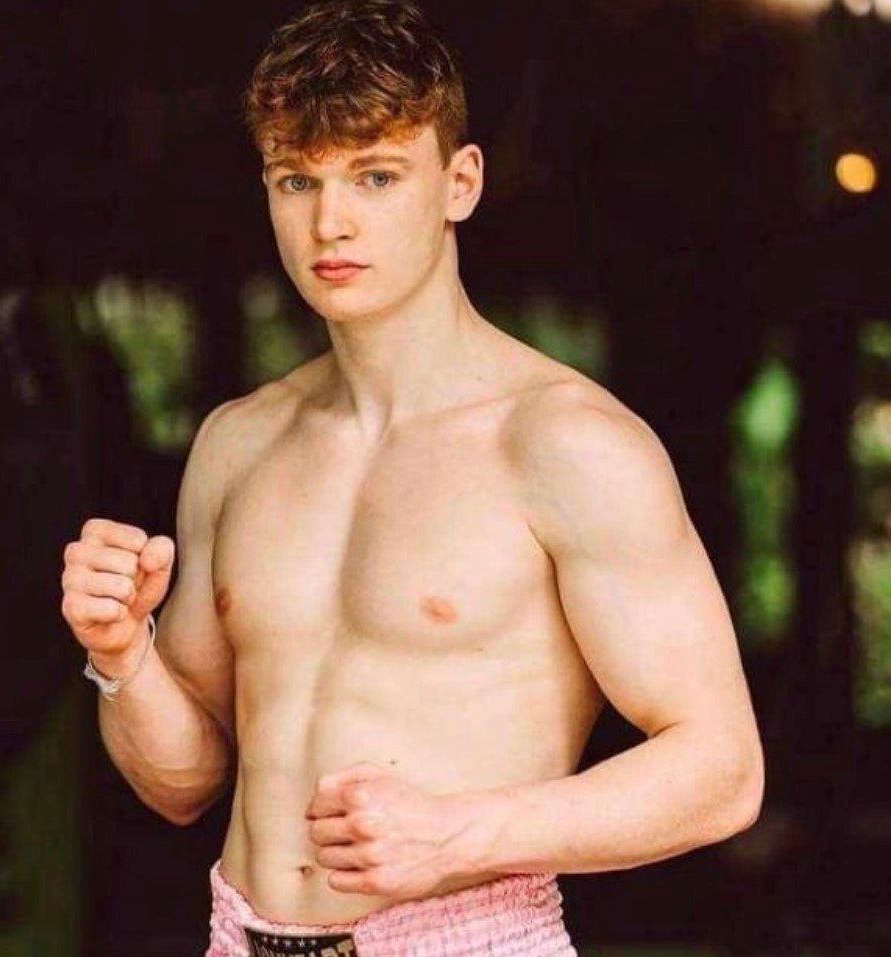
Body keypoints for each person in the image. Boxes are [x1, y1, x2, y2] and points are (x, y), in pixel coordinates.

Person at [60, 1, 765, 954]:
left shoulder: (567, 445)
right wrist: (120, 654)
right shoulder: (238, 443)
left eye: (376, 175)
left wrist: (459, 834)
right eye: (297, 179)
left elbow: (722, 771)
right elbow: (184, 785)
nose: (330, 221)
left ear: (458, 183)